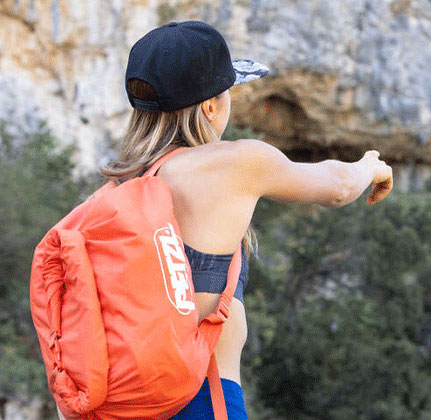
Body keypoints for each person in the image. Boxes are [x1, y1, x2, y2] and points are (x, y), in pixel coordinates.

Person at [66, 21, 393, 419]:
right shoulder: (233, 164)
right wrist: (370, 166)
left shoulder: (108, 196)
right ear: (209, 106)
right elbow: (338, 186)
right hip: (203, 401)